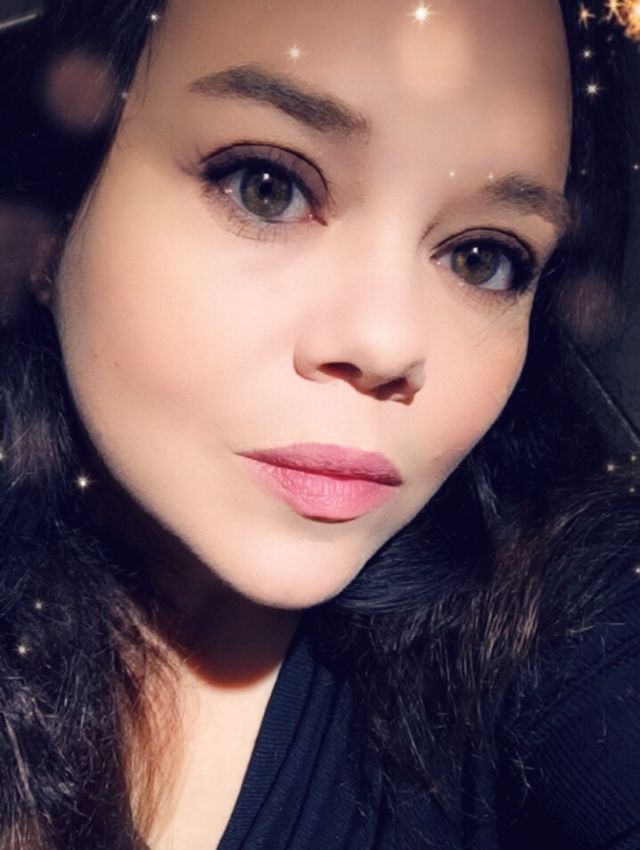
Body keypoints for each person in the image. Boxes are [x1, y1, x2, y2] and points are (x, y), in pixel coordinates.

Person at [0, 0, 639, 847]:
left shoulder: (561, 616)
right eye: (266, 187)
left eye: (483, 257)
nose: (387, 343)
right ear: (49, 223)